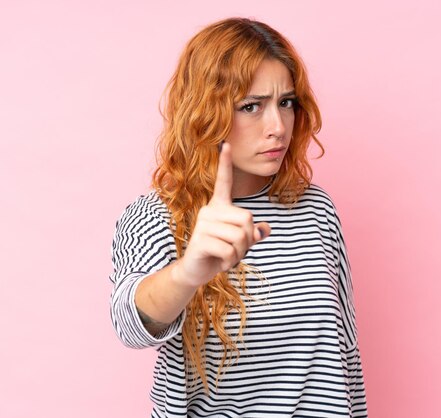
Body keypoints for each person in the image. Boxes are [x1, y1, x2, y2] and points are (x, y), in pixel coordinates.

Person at [109, 17, 368, 417]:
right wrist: (187, 272)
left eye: (286, 102)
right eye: (251, 106)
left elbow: (345, 354)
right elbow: (129, 324)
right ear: (205, 114)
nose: (277, 127)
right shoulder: (156, 216)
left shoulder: (316, 208)